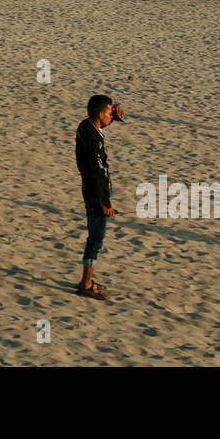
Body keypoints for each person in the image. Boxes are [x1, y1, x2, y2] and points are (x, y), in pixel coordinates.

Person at [75, 94, 124, 300]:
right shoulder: (93, 138)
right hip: (96, 194)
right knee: (96, 239)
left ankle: (86, 280)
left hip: (92, 191)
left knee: (94, 238)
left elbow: (100, 125)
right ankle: (86, 283)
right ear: (100, 113)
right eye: (109, 112)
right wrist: (104, 202)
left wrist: (115, 115)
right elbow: (96, 170)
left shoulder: (86, 127)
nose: (111, 116)